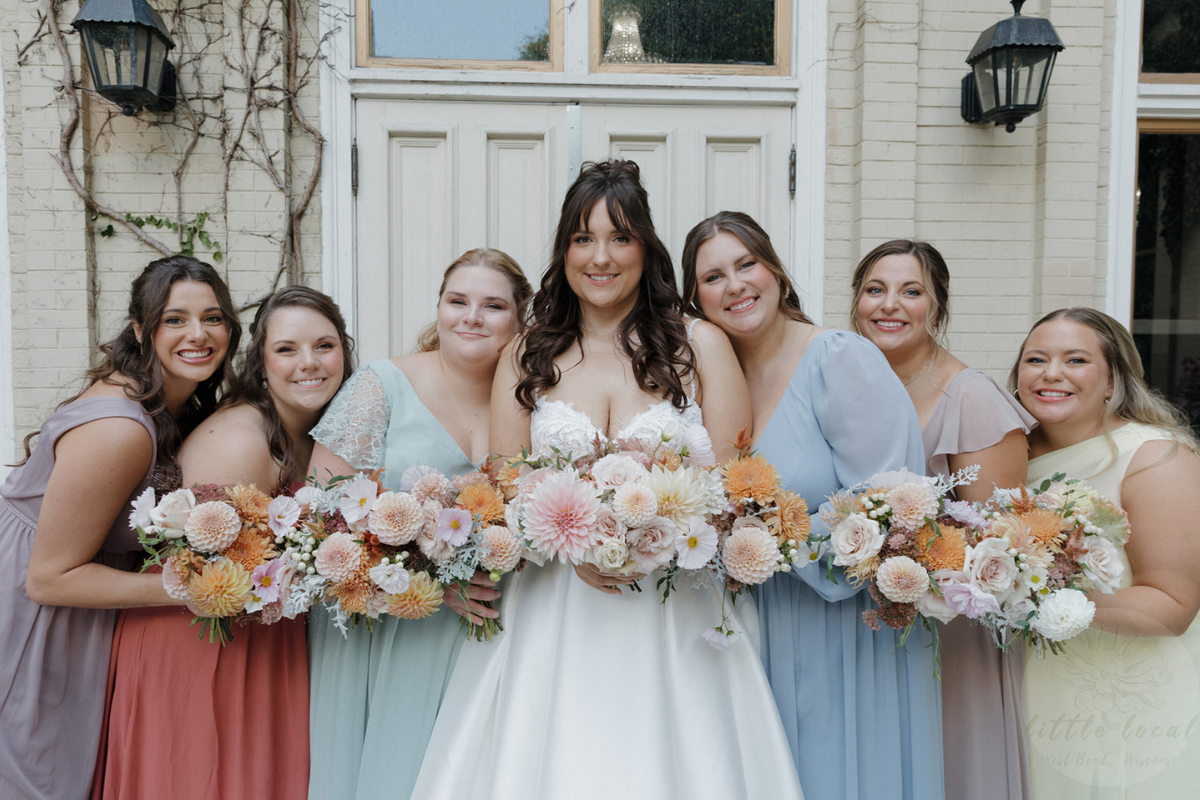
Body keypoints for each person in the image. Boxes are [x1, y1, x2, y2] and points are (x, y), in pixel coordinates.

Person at [411, 162, 803, 800]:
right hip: (551, 610)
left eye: (619, 238)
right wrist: (575, 544)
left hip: (677, 611)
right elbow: (507, 491)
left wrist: (653, 535)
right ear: (563, 250)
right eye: (582, 238)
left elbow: (735, 489)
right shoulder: (527, 352)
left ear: (645, 248)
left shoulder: (699, 344)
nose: (600, 257)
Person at [681, 212, 942, 800]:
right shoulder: (713, 378)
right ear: (696, 298)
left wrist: (769, 538)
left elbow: (890, 506)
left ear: (775, 271)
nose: (736, 285)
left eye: (747, 264)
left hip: (843, 625)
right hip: (753, 624)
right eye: (713, 277)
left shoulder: (839, 357)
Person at [90, 286, 354, 799]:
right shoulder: (239, 439)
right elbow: (194, 571)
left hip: (261, 636)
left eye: (325, 346)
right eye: (286, 349)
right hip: (198, 641)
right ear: (260, 364)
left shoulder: (316, 434)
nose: (309, 363)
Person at [0, 255, 240, 800]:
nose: (197, 334)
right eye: (174, 319)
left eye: (213, 317)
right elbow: (49, 578)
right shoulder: (118, 429)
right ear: (140, 329)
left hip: (78, 615)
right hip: (31, 621)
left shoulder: (170, 406)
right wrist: (192, 590)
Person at [306, 248, 533, 800]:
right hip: (394, 629)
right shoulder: (380, 384)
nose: (471, 317)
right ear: (439, 308)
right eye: (457, 301)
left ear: (520, 320)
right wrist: (426, 583)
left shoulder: (535, 398)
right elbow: (320, 519)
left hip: (498, 629)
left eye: (493, 305)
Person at [851, 239, 1034, 800]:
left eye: (912, 291)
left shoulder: (970, 395)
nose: (890, 305)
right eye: (874, 290)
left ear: (938, 308)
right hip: (870, 623)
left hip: (950, 631)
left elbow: (997, 542)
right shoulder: (856, 386)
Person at [1012, 308, 1200, 797]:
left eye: (1075, 360)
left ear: (1114, 379)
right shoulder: (1007, 455)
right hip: (1029, 688)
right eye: (1036, 359)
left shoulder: (1156, 458)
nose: (1051, 373)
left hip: (1125, 699)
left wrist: (1036, 600)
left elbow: (1173, 603)